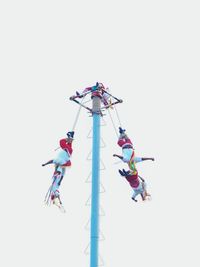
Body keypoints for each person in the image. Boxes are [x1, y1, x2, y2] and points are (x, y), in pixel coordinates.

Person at [42, 131, 74, 210]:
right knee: (62, 142)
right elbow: (60, 173)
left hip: (67, 154)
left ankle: (71, 136)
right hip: (66, 153)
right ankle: (70, 136)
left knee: (66, 144)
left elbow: (51, 161)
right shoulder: (59, 165)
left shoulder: (56, 186)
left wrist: (45, 164)